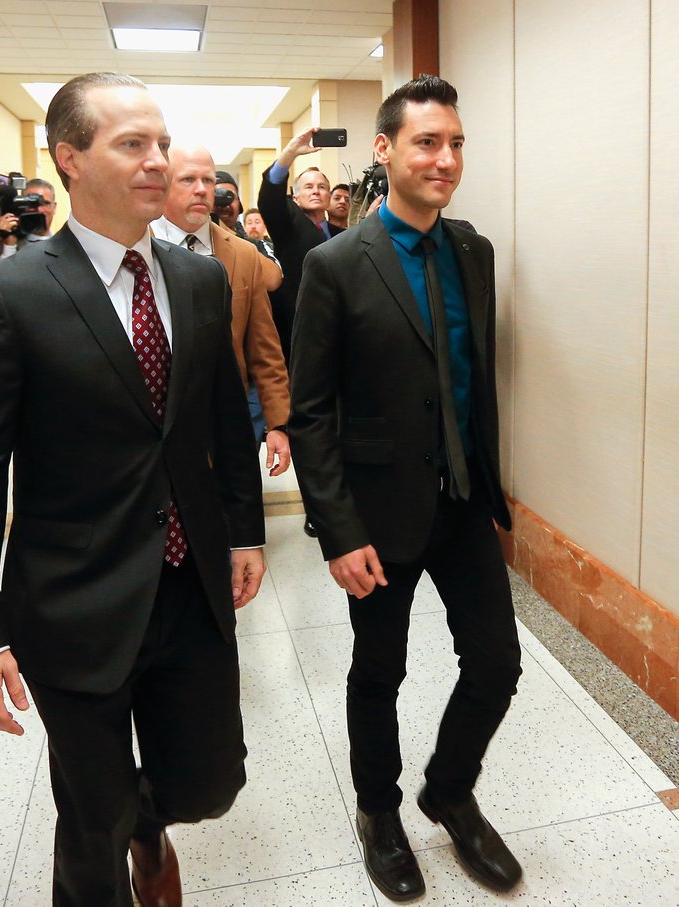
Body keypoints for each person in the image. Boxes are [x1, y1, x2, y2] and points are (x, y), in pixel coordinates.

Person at [0, 72, 266, 907]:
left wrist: (246, 531)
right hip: (74, 599)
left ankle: (150, 822)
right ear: (69, 158)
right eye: (133, 145)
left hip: (189, 586)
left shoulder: (196, 281)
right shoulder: (10, 292)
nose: (159, 162)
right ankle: (115, 838)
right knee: (90, 822)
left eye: (162, 143)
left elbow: (223, 419)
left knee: (209, 784)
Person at [288, 75, 523, 901]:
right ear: (385, 151)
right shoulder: (334, 264)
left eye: (456, 142)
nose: (446, 158)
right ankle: (379, 812)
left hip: (461, 500)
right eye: (428, 142)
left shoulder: (475, 251)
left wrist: (495, 482)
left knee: (496, 660)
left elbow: (470, 377)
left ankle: (448, 789)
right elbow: (310, 410)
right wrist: (338, 528)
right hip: (377, 513)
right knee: (377, 668)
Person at [152, 146, 290, 474]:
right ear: (165, 184)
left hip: (229, 421)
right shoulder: (136, 248)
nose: (201, 189)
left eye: (208, 180)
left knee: (236, 518)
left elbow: (265, 349)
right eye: (187, 179)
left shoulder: (242, 254)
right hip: (157, 426)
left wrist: (278, 424)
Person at [258, 132, 344, 537]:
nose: (316, 190)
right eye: (307, 186)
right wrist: (290, 154)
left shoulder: (339, 233)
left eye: (322, 186)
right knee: (310, 429)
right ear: (295, 196)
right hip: (300, 339)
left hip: (339, 341)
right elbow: (269, 199)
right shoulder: (289, 224)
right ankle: (316, 508)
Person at [0, 177, 57, 261]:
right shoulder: (7, 239)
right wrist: (9, 245)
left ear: (54, 207)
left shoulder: (63, 243)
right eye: (32, 203)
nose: (39, 209)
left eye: (45, 203)